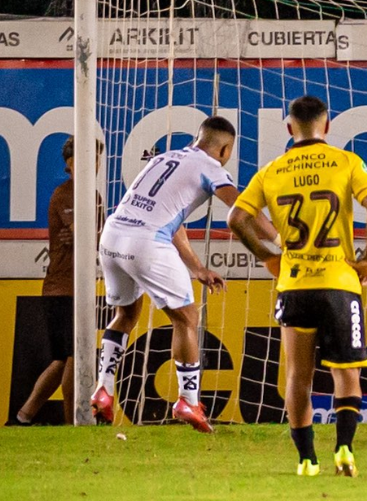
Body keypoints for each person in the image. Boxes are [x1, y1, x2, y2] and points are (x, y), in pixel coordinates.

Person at [228, 95, 367, 477]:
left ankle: (306, 460)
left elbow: (236, 218)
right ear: (327, 126)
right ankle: (344, 449)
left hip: (294, 284)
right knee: (346, 373)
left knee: (299, 376)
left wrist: (267, 256)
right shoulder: (346, 162)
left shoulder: (272, 170)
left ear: (288, 128)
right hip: (339, 282)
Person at [92, 117, 264, 433]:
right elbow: (242, 208)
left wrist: (197, 268)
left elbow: (174, 220)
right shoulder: (212, 167)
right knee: (186, 319)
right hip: (145, 241)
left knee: (125, 315)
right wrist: (278, 237)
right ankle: (188, 399)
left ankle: (104, 388)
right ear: (225, 148)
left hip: (112, 236)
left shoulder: (163, 158)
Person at [10, 137, 102, 426]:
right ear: (72, 164)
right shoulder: (66, 194)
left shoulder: (93, 196)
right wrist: (86, 236)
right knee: (76, 356)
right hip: (62, 289)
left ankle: (23, 416)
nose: (95, 164)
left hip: (76, 287)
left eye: (97, 158)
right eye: (89, 157)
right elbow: (86, 234)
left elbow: (92, 238)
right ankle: (75, 422)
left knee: (63, 359)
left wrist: (88, 237)